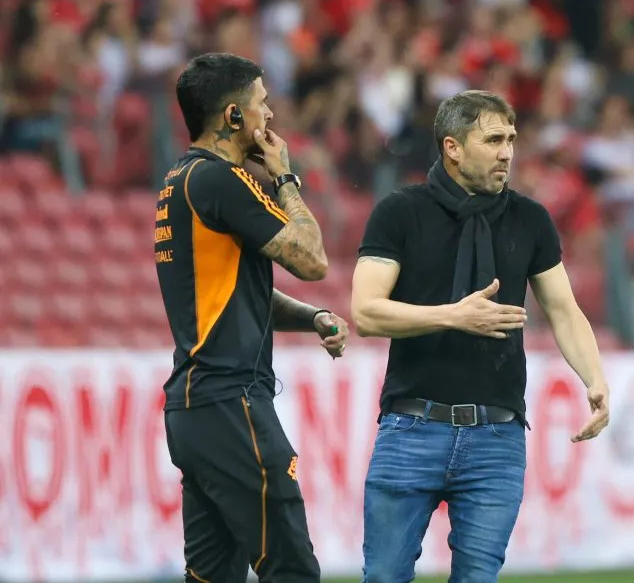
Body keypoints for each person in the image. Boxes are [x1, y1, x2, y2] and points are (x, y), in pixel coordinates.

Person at [351, 89, 610, 583]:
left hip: (497, 436)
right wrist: (453, 316)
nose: (507, 151)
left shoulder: (530, 219)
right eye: (493, 139)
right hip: (411, 427)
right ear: (452, 147)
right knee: (384, 577)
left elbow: (564, 310)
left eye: (511, 138)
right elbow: (366, 312)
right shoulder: (400, 212)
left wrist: (594, 378)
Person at [156, 53, 349, 583]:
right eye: (262, 105)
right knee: (292, 569)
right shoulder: (222, 180)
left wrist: (313, 319)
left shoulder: (179, 182)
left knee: (212, 577)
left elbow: (242, 295)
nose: (270, 118)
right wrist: (286, 176)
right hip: (232, 403)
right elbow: (311, 259)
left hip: (195, 409)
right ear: (234, 117)